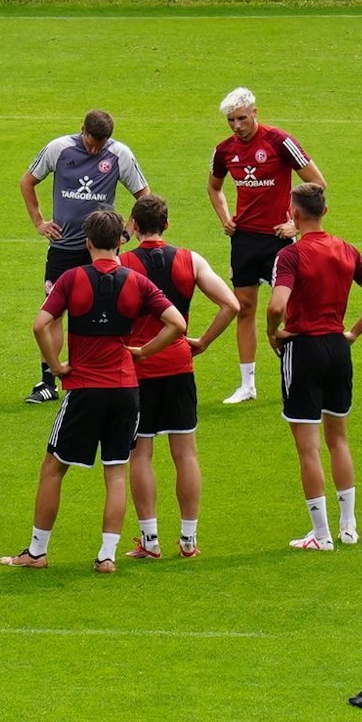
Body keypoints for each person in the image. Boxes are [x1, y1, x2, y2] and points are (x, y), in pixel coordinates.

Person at [0, 209, 185, 573]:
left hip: (85, 388)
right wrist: (144, 351)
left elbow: (40, 325)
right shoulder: (137, 281)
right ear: (120, 240)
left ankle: (37, 552)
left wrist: (55, 366)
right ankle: (107, 556)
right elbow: (176, 323)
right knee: (116, 472)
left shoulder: (72, 279)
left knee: (53, 468)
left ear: (87, 242)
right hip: (124, 388)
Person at [266, 183, 362, 551]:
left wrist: (274, 333)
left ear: (294, 214)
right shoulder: (346, 249)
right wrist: (352, 332)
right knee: (338, 439)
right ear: (325, 211)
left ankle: (321, 535)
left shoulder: (290, 256)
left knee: (308, 448)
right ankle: (349, 527)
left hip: (303, 349)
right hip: (339, 348)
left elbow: (276, 306)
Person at [121, 194, 239, 559]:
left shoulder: (123, 263)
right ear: (167, 225)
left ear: (134, 226)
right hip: (178, 366)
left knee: (140, 455)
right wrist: (202, 341)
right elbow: (231, 305)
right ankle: (188, 540)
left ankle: (150, 541)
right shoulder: (190, 259)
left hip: (137, 370)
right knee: (185, 453)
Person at [19, 110, 150, 404]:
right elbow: (27, 181)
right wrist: (39, 222)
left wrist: (126, 233)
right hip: (63, 248)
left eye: (100, 144)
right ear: (82, 131)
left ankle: (115, 372)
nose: (94, 150)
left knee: (113, 310)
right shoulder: (59, 149)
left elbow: (145, 197)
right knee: (53, 313)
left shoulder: (120, 154)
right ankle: (48, 382)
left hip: (104, 250)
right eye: (91, 142)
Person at [208, 88, 326, 407]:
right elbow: (214, 187)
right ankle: (247, 385)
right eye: (231, 120)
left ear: (255, 112)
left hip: (279, 239)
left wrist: (295, 225)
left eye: (242, 119)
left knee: (290, 308)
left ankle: (301, 376)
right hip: (244, 240)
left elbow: (317, 184)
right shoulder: (223, 151)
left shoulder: (280, 142)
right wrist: (224, 218)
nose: (236, 126)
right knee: (244, 308)